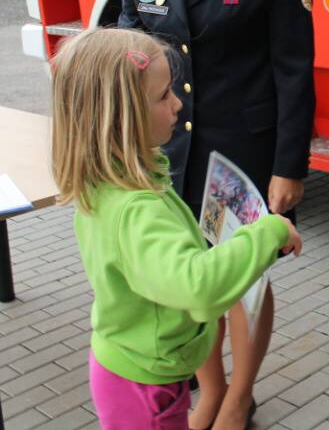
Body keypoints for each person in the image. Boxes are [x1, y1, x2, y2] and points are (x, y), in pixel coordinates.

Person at [118, 0, 315, 430]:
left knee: (242, 279)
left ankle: (239, 397)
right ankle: (212, 384)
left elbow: (293, 71)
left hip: (242, 153)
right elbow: (128, 48)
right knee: (187, 276)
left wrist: (290, 167)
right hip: (167, 149)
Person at [49, 27, 302, 430]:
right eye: (164, 95)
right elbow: (197, 288)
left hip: (138, 367)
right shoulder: (137, 209)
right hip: (145, 387)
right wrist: (266, 233)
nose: (178, 103)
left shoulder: (114, 184)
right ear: (124, 117)